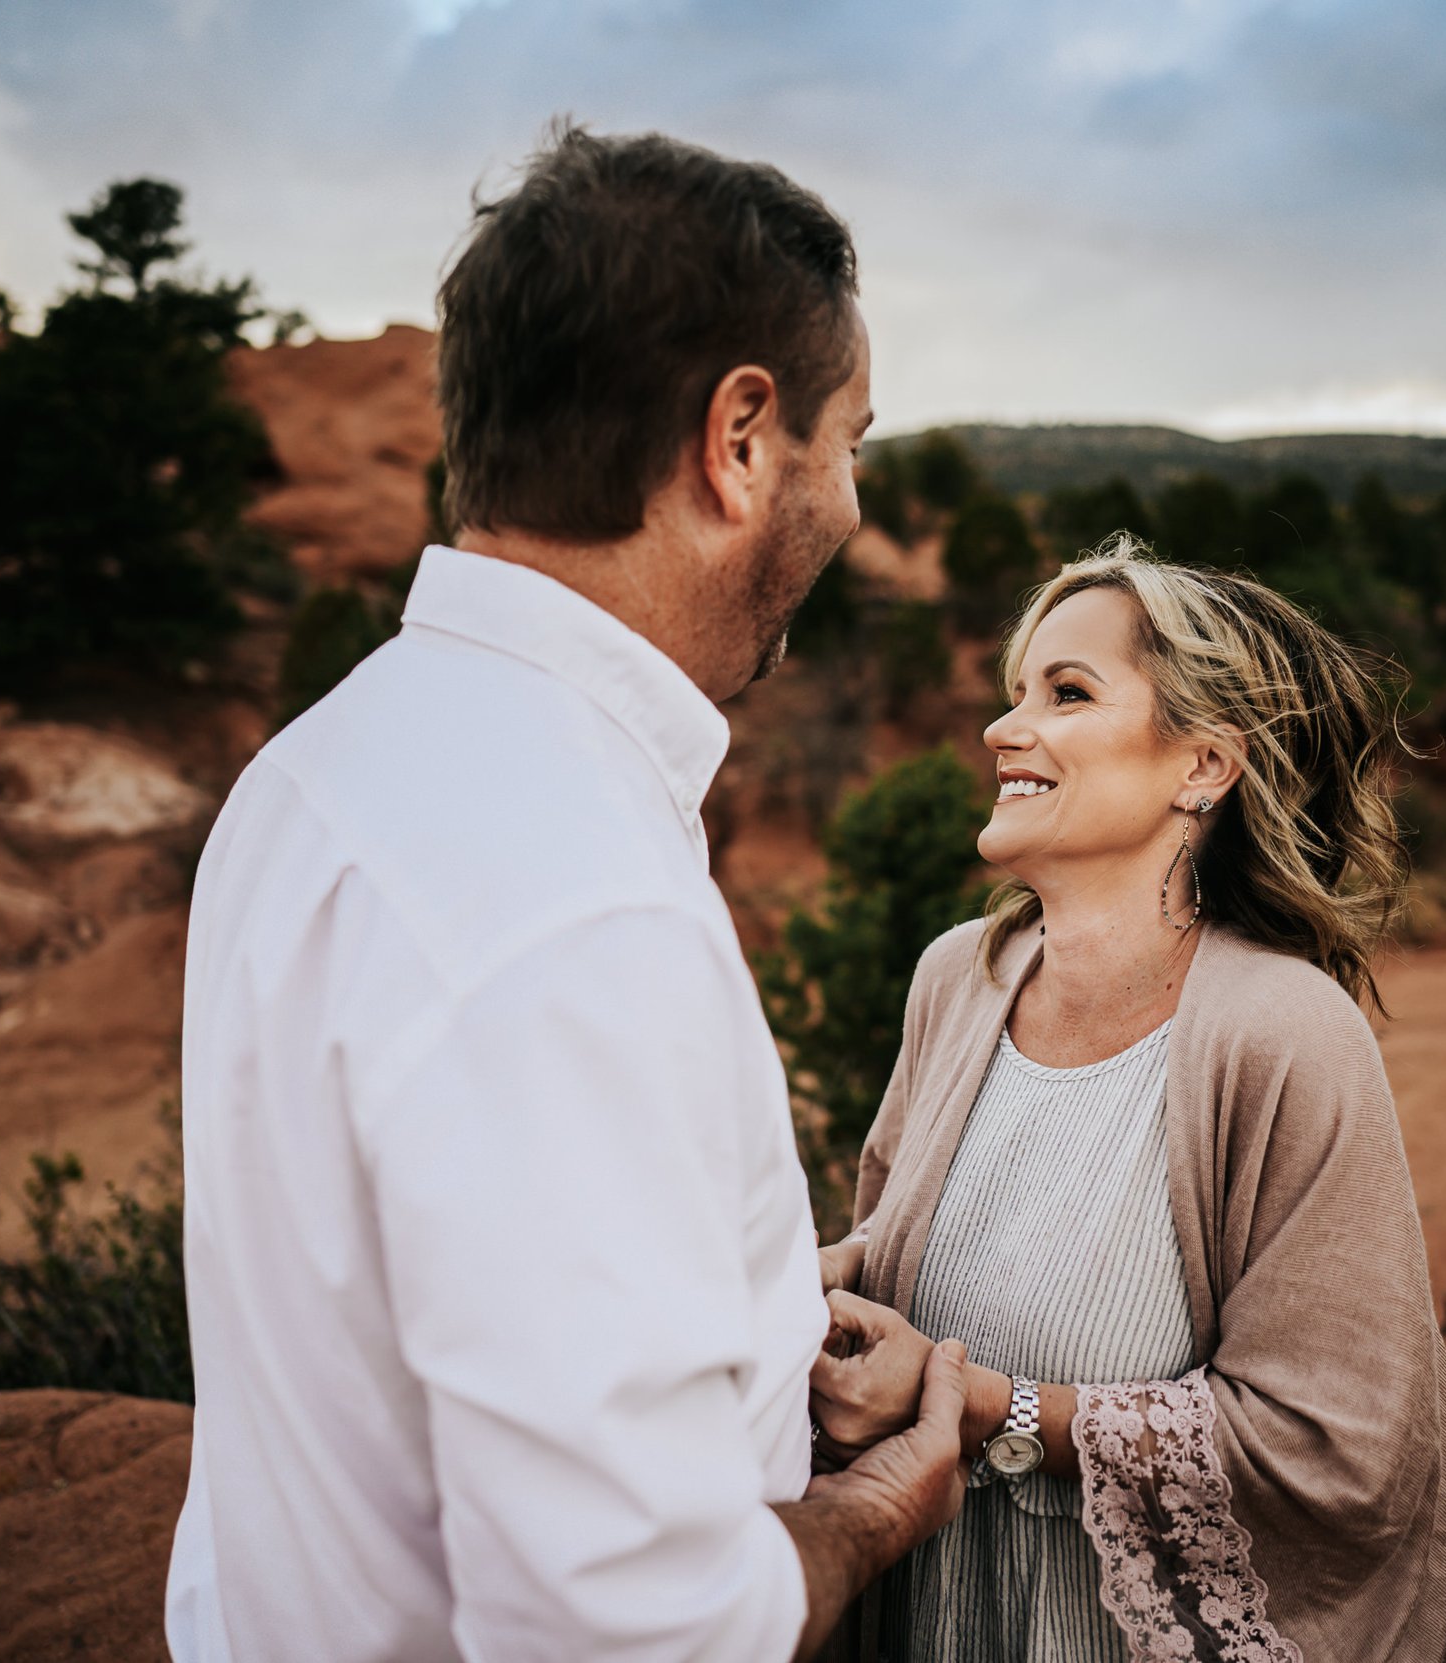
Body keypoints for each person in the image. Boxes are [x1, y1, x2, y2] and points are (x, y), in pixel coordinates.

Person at [166, 125, 968, 1663]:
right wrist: (872, 1512)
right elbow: (632, 1629)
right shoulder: (578, 896)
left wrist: (726, 1315)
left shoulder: (310, 772)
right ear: (740, 440)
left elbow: (399, 1292)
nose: (854, 503)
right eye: (849, 439)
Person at [811, 542, 1446, 1661]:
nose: (1002, 728)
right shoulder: (957, 979)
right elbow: (907, 1243)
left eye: (1066, 693)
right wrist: (811, 1284)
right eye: (1014, 692)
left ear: (1204, 767)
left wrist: (986, 1410)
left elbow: (1335, 1449)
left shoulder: (1282, 1033)